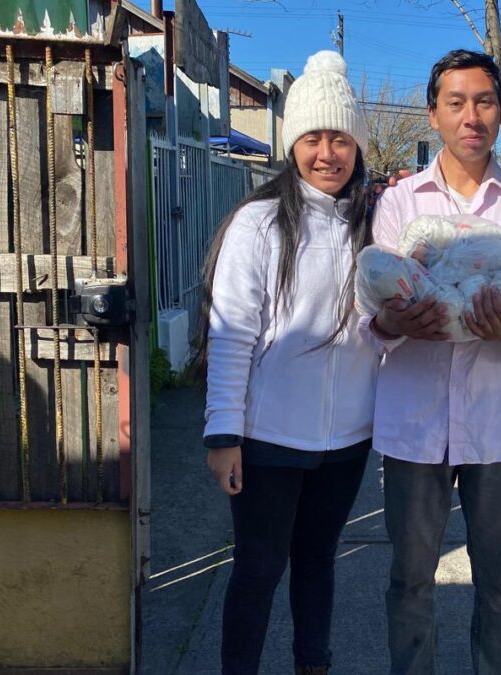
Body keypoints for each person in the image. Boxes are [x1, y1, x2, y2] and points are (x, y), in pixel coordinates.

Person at [361, 49, 501, 675]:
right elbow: (371, 316)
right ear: (433, 115)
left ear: (500, 112)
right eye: (456, 102)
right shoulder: (399, 205)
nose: (470, 116)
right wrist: (392, 324)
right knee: (409, 579)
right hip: (413, 427)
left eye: (484, 101)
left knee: (500, 585)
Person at [197, 50, 376, 675]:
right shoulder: (260, 222)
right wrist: (223, 435)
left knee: (320, 560)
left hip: (348, 440)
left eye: (341, 139)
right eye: (312, 139)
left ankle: (312, 665)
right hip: (267, 437)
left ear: (357, 145)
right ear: (292, 144)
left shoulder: (373, 224)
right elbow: (231, 334)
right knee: (258, 568)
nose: (328, 154)